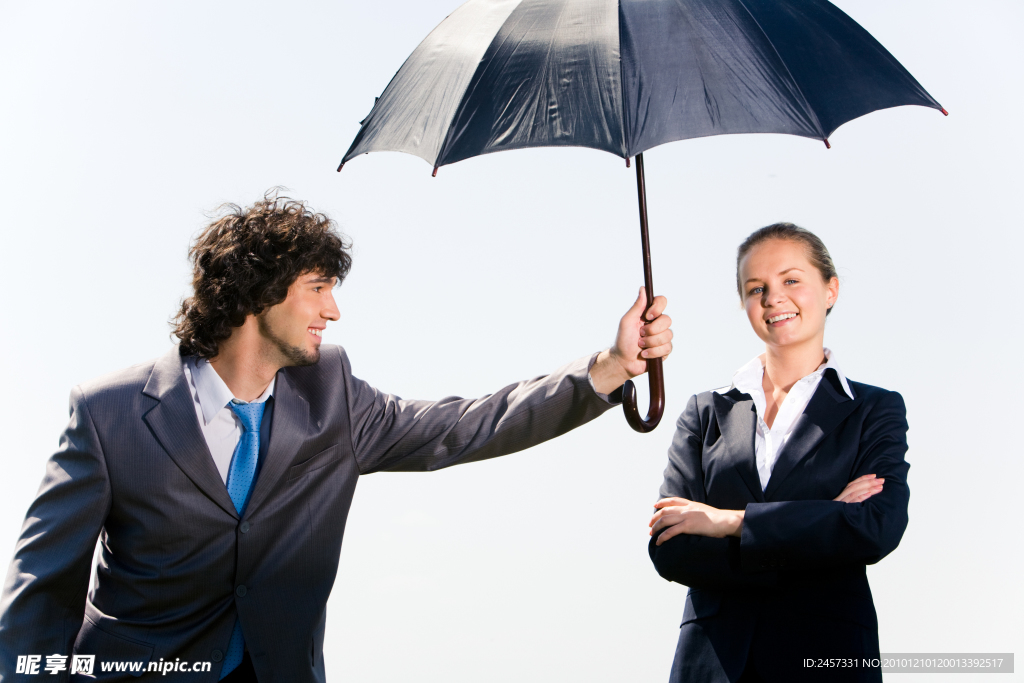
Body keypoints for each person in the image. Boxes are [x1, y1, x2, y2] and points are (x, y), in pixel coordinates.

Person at [0, 193, 674, 683]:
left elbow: (464, 425)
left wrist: (608, 370)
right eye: (316, 287)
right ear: (256, 295)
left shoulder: (335, 396)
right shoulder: (110, 413)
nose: (333, 308)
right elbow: (39, 591)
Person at [647, 223, 909, 683]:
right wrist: (823, 519)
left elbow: (876, 527)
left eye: (791, 280)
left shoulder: (874, 409)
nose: (773, 298)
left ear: (830, 290)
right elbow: (672, 546)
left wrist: (731, 523)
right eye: (756, 288)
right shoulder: (704, 412)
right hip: (712, 664)